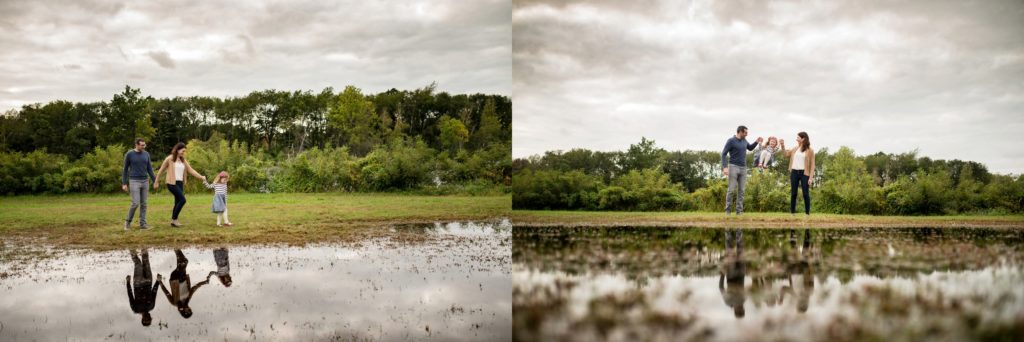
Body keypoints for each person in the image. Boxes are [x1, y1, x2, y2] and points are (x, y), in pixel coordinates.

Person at [154, 142, 207, 227]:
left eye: (184, 151)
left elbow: (191, 170)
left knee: (177, 201)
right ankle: (174, 219)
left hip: (179, 183)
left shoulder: (183, 160)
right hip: (171, 182)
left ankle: (174, 221)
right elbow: (161, 170)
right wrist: (156, 181)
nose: (183, 153)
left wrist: (201, 177)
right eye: (182, 151)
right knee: (183, 200)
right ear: (177, 150)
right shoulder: (169, 159)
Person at [158, 249, 211, 318]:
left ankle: (175, 247)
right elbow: (195, 287)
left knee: (183, 262)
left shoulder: (174, 302)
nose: (189, 309)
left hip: (175, 279)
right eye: (190, 310)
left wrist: (160, 281)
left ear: (183, 311)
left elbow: (166, 292)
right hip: (183, 278)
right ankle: (175, 247)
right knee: (182, 262)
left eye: (188, 311)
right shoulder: (188, 299)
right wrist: (204, 282)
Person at [721, 125, 762, 216]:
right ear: (740, 132)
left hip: (743, 168)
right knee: (731, 190)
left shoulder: (744, 140)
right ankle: (727, 212)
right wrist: (724, 167)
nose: (747, 134)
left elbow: (750, 148)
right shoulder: (731, 141)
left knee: (742, 191)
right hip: (733, 166)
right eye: (745, 132)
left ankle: (739, 212)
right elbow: (723, 154)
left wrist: (756, 141)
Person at [122, 138, 156, 230]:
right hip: (134, 181)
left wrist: (155, 180)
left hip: (145, 181)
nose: (144, 146)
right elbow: (125, 169)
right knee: (135, 203)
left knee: (144, 203)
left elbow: (150, 169)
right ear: (136, 145)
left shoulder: (146, 154)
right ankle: (127, 222)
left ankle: (143, 224)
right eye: (142, 145)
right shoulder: (129, 154)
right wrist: (124, 183)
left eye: (144, 145)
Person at [783, 132, 815, 216]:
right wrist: (782, 146)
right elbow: (786, 154)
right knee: (794, 193)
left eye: (798, 137)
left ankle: (807, 213)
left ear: (803, 138)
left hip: (804, 173)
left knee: (805, 193)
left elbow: (812, 165)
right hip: (794, 172)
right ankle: (792, 213)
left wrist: (810, 178)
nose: (796, 138)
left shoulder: (810, 150)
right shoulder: (795, 149)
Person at [126, 249, 159, 326]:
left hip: (138, 283)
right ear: (151, 318)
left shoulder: (135, 309)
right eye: (149, 319)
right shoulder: (151, 306)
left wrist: (128, 282)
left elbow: (130, 295)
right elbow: (154, 292)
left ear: (142, 319)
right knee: (146, 260)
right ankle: (143, 244)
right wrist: (158, 281)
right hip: (149, 282)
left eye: (146, 319)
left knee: (138, 263)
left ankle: (131, 247)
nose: (148, 317)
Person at [718, 229, 746, 318]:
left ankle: (729, 231)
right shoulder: (740, 301)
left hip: (732, 275)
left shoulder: (729, 302)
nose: (742, 308)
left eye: (741, 310)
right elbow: (721, 288)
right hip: (740, 274)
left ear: (737, 311)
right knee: (740, 251)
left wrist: (722, 274)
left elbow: (721, 288)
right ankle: (736, 231)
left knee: (731, 252)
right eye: (743, 309)